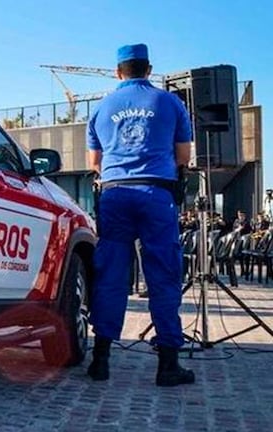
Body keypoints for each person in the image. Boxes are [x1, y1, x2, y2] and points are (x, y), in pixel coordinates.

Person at [86, 43, 195, 387]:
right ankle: (168, 364)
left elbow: (94, 164)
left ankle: (100, 358)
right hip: (156, 193)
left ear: (119, 72)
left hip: (115, 194)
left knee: (111, 274)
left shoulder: (101, 108)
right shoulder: (170, 102)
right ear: (148, 70)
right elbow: (182, 156)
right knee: (163, 274)